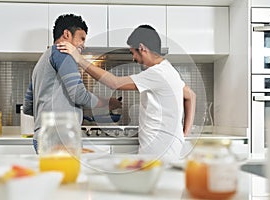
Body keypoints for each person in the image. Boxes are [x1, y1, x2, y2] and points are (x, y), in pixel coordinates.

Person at [57, 25, 196, 161]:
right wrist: (184, 133)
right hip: (166, 149)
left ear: (142, 48)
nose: (133, 58)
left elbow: (114, 83)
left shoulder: (158, 73)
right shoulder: (169, 70)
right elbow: (191, 96)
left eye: (133, 52)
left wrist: (79, 58)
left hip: (158, 152)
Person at [23, 14, 122, 152]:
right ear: (67, 34)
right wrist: (107, 103)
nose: (83, 45)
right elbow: (79, 95)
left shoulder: (42, 61)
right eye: (81, 38)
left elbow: (28, 106)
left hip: (42, 137)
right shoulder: (63, 52)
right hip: (60, 137)